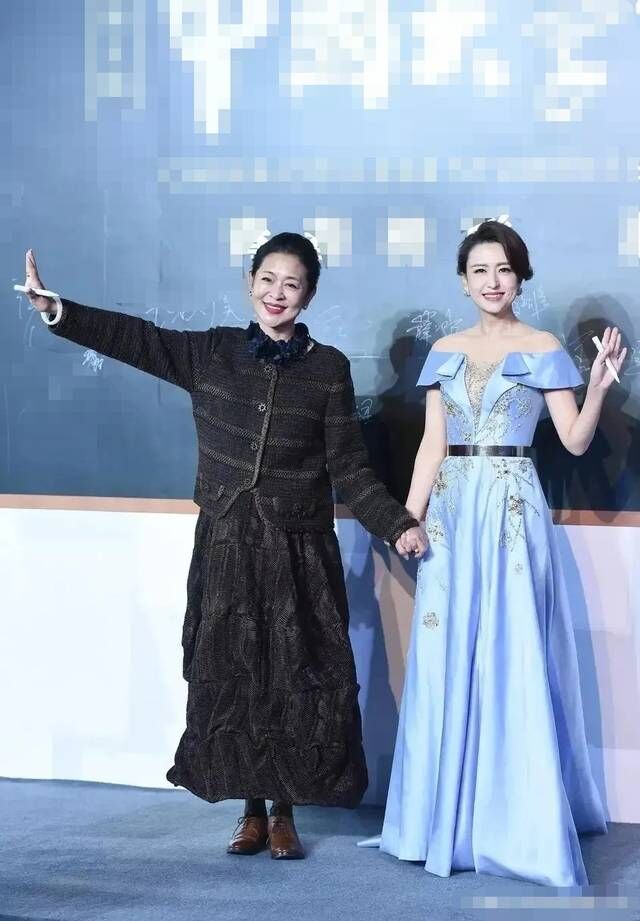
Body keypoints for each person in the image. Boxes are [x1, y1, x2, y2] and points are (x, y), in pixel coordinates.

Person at [22, 234, 427, 861]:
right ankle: (251, 811)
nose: (277, 293)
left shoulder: (328, 369)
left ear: (308, 295)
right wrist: (60, 312)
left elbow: (351, 470)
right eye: (267, 279)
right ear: (250, 283)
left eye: (291, 284)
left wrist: (397, 523)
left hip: (297, 551)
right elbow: (138, 339)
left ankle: (286, 813)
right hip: (227, 544)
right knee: (237, 676)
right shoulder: (212, 352)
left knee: (293, 676)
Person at [363, 220, 625, 886]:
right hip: (453, 509)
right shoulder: (444, 351)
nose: (492, 281)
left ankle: (513, 825)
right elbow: (432, 445)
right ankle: (439, 819)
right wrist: (406, 517)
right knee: (447, 653)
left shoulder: (542, 348)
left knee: (511, 651)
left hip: (511, 505)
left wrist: (597, 387)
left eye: (504, 269)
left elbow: (572, 441)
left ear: (520, 277)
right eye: (480, 269)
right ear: (463, 280)